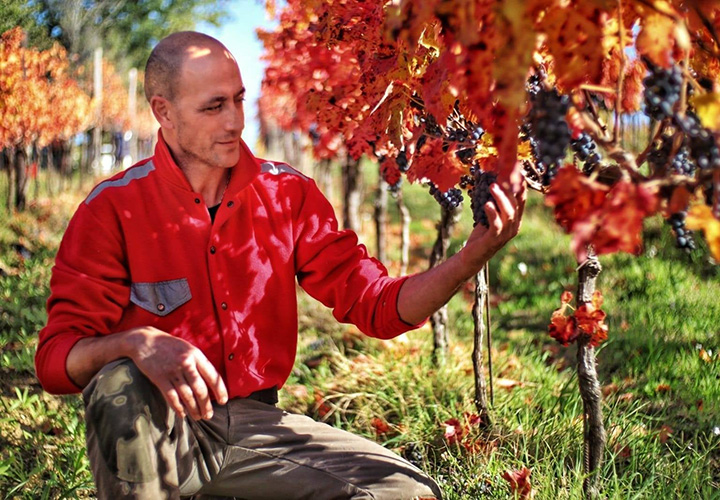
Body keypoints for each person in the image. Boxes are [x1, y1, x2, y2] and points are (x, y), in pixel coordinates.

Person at [35, 31, 525, 500]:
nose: (235, 122)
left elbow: (376, 305)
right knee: (119, 383)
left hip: (252, 426)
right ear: (163, 112)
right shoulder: (111, 209)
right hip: (156, 430)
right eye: (213, 106)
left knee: (405, 492)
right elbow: (56, 360)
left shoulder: (288, 195)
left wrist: (471, 256)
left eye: (238, 100)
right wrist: (134, 343)